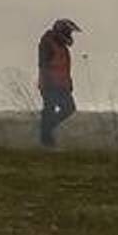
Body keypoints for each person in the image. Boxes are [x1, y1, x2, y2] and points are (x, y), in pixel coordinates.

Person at [38, 17, 80, 148]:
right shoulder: (47, 43)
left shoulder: (62, 46)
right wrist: (46, 82)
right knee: (49, 111)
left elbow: (64, 68)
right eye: (69, 32)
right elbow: (43, 65)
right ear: (62, 31)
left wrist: (69, 83)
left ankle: (45, 130)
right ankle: (47, 140)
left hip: (62, 85)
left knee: (69, 109)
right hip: (50, 84)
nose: (70, 35)